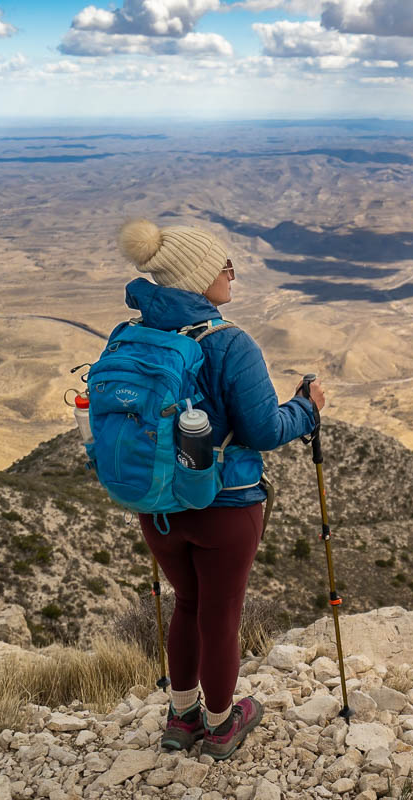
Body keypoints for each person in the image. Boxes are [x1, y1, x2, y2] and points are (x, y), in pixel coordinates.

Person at [117, 217, 325, 761]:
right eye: (223, 266)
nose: (232, 274)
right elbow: (263, 430)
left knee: (188, 603)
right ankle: (222, 722)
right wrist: (308, 408)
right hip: (224, 504)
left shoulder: (137, 335)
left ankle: (181, 717)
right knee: (221, 614)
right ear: (196, 276)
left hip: (158, 505)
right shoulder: (230, 343)